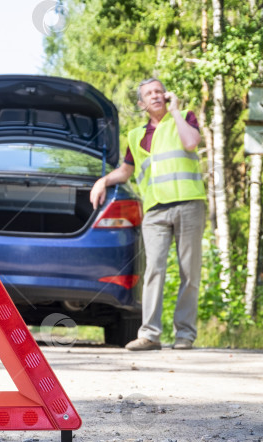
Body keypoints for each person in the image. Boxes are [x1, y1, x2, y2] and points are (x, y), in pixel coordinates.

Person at [90, 78, 207, 351]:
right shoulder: (135, 135)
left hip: (189, 203)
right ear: (142, 104)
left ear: (166, 95)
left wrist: (176, 110)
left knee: (190, 272)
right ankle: (150, 335)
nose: (155, 96)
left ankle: (185, 335)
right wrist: (103, 181)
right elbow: (127, 170)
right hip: (155, 210)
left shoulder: (184, 118)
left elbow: (191, 143)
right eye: (149, 94)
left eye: (158, 91)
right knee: (154, 269)